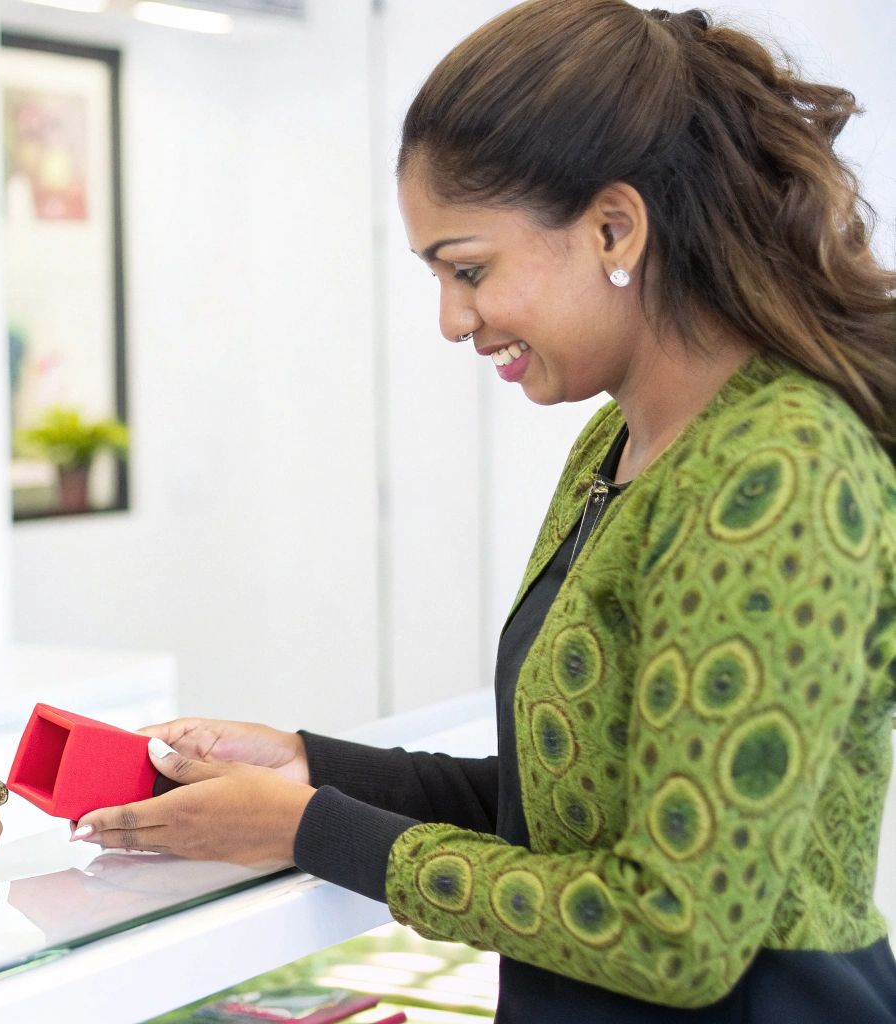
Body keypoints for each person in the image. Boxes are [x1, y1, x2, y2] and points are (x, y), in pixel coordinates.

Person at [73, 2, 896, 1019]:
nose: (452, 319)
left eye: (468, 270)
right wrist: (308, 767)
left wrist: (305, 829)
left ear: (611, 227)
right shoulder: (616, 444)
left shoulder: (780, 471)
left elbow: (674, 928)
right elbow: (561, 802)